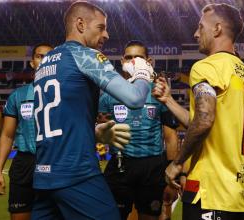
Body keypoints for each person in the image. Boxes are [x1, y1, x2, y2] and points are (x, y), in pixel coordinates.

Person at [31, 1, 155, 219]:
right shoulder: (85, 55)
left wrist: (95, 131)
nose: (106, 34)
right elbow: (135, 98)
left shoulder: (46, 62)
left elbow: (59, 113)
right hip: (76, 172)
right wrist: (144, 73)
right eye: (101, 27)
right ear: (80, 24)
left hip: (44, 175)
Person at [152, 3, 244, 220]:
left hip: (211, 193)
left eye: (200, 27)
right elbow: (205, 121)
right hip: (241, 199)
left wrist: (176, 164)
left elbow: (204, 121)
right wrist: (169, 101)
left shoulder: (206, 67)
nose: (195, 33)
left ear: (217, 29)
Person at [98, 40, 179, 220]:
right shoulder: (108, 94)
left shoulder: (160, 93)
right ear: (122, 61)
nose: (133, 62)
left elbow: (171, 138)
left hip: (152, 167)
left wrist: (171, 175)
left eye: (139, 57)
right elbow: (99, 128)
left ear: (148, 62)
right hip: (120, 165)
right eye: (129, 57)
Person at [0, 43, 54, 220]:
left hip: (54, 161)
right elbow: (7, 135)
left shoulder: (65, 94)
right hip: (24, 162)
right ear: (32, 62)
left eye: (48, 57)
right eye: (39, 56)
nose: (44, 60)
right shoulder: (18, 96)